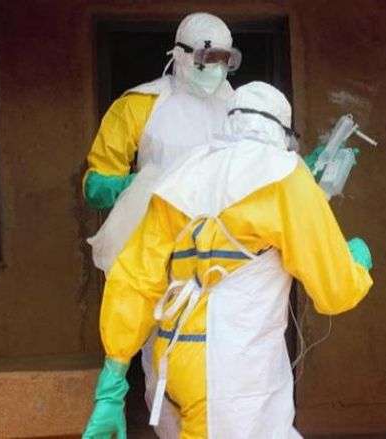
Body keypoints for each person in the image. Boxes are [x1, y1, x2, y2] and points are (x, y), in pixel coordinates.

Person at [82, 82, 374, 438]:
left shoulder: (184, 172)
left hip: (174, 362)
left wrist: (112, 380)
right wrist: (356, 261)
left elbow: (134, 279)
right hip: (232, 373)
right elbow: (336, 292)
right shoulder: (284, 175)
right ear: (282, 131)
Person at [81, 12, 241, 432]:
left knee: (230, 374)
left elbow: (268, 171)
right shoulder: (140, 105)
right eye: (207, 59)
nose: (216, 70)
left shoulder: (241, 108)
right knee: (166, 374)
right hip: (159, 258)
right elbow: (96, 183)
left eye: (225, 60)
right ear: (181, 54)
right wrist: (137, 185)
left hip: (228, 259)